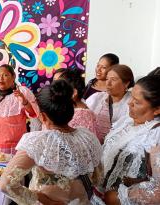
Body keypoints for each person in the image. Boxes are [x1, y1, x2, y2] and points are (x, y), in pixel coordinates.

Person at [0, 80, 102, 205]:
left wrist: (41, 198)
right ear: (71, 111)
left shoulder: (38, 142)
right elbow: (97, 177)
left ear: (42, 116)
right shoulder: (88, 137)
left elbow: (5, 184)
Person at [91, 75, 160, 205]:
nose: (129, 102)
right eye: (131, 96)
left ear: (157, 109)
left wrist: (121, 197)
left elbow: (158, 190)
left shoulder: (155, 135)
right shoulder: (126, 121)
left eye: (137, 101)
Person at [0, 64, 39, 154]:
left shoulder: (22, 92)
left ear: (13, 77)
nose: (1, 78)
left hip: (15, 145)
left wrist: (24, 101)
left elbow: (34, 113)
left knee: (13, 167)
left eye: (5, 75)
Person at [86, 64, 134, 143]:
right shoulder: (96, 98)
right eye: (107, 79)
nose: (108, 83)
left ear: (126, 83)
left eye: (113, 79)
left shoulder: (132, 102)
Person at [58, 69, 98, 137]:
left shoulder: (81, 115)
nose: (56, 93)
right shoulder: (72, 109)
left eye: (60, 89)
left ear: (74, 93)